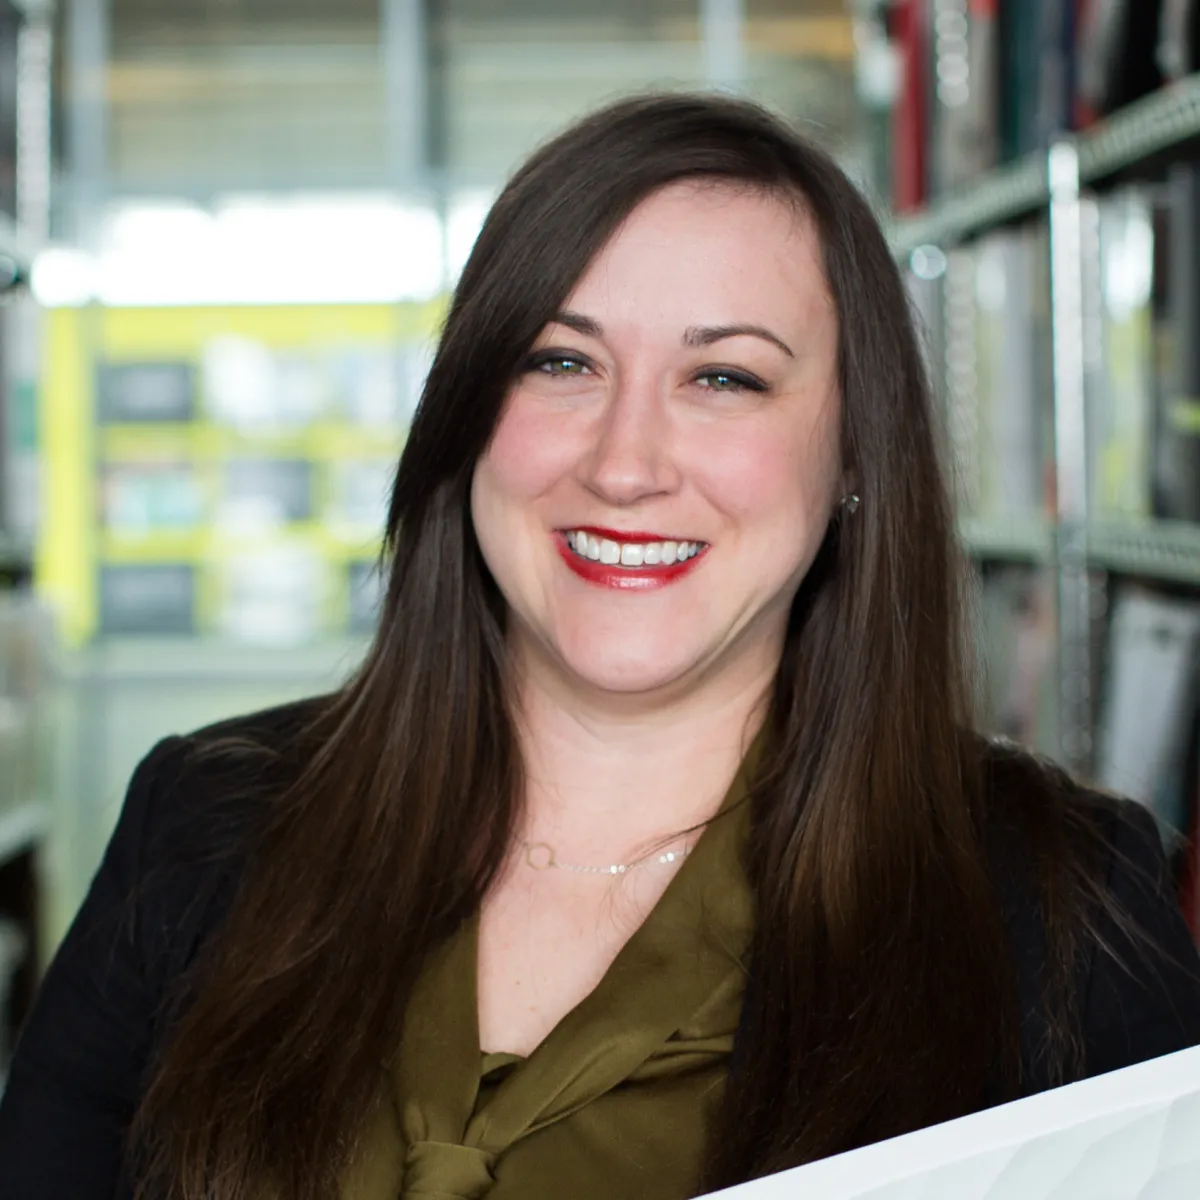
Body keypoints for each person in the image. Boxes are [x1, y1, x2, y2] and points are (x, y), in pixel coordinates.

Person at [2, 92, 1199, 1200]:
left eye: (724, 377)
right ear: (468, 414)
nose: (625, 464)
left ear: (851, 461)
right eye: (561, 362)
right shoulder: (205, 827)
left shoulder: (1059, 903)